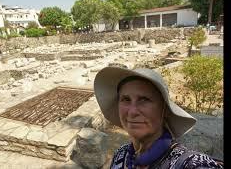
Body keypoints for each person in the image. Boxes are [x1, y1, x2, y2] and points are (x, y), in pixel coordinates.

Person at [94, 67, 223, 169]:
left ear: (165, 110)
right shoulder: (120, 155)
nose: (132, 112)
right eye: (126, 99)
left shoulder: (191, 163)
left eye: (144, 99)